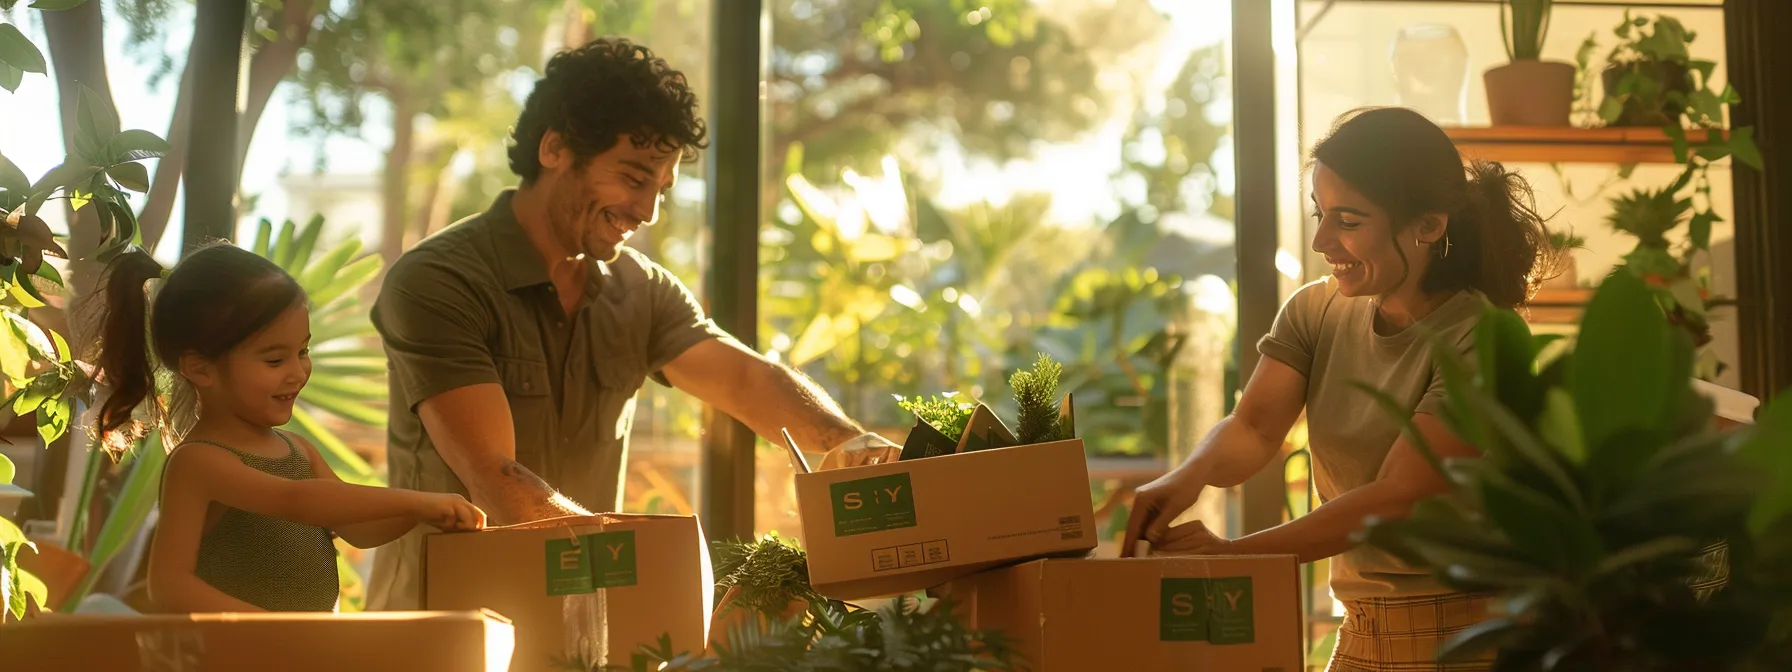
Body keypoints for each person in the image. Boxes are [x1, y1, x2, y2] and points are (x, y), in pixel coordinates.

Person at [365, 37, 902, 611]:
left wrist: (849, 444)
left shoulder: (641, 290)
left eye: (661, 190)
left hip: (586, 627)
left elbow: (746, 382)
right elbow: (498, 480)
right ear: (554, 149)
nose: (647, 212)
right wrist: (646, 569)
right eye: (633, 178)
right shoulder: (440, 280)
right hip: (445, 626)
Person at [1121, 107, 1556, 672]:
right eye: (1319, 214)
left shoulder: (1487, 335)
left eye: (1348, 221)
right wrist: (1187, 476)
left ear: (1428, 226)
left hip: (1469, 632)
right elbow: (1253, 430)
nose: (1323, 240)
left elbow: (1396, 498)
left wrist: (1232, 556)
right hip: (1361, 625)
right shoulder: (1316, 309)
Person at [80, 246, 486, 613]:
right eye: (274, 361)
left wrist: (423, 513)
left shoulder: (298, 450)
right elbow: (169, 585)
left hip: (299, 651)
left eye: (303, 351)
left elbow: (357, 528)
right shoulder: (199, 461)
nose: (297, 372)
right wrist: (267, 631)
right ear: (199, 367)